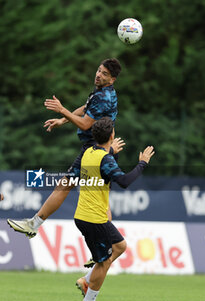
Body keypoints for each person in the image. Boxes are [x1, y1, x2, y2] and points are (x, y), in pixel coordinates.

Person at [7, 58, 123, 238]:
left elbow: (85, 124)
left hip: (95, 149)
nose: (99, 75)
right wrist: (63, 119)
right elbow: (86, 108)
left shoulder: (104, 96)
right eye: (99, 70)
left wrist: (62, 111)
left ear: (113, 79)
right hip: (98, 148)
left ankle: (34, 224)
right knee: (99, 197)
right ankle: (109, 243)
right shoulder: (101, 92)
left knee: (66, 184)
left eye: (105, 74)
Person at [75, 117, 154, 301]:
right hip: (93, 218)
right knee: (105, 262)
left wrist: (112, 154)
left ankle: (86, 280)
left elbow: (104, 176)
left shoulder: (88, 153)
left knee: (120, 246)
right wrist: (142, 163)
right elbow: (124, 181)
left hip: (87, 215)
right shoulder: (105, 158)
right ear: (112, 135)